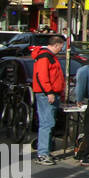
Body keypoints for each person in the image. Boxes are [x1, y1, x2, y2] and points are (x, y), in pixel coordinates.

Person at [31, 35, 67, 166]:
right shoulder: (45, 56)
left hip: (51, 93)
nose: (62, 49)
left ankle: (45, 151)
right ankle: (42, 153)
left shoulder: (49, 56)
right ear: (56, 45)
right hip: (46, 94)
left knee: (49, 123)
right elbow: (42, 76)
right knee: (47, 123)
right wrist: (49, 92)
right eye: (61, 46)